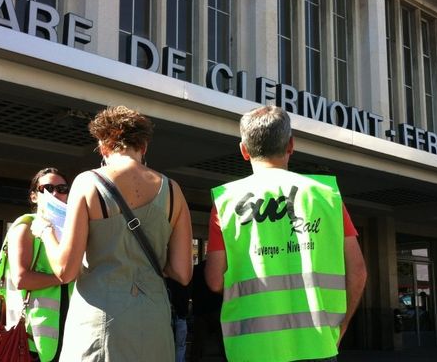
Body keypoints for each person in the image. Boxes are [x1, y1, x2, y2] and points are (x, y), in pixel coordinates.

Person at [205, 105, 367, 362]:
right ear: (291, 145)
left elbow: (215, 280)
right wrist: (342, 325)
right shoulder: (326, 196)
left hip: (252, 349)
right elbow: (358, 272)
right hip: (319, 344)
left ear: (244, 151)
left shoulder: (227, 201)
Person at [32, 105, 193, 361]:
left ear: (103, 146)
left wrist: (46, 231)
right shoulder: (173, 191)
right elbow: (183, 273)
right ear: (144, 146)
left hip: (100, 319)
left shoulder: (88, 182)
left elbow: (65, 270)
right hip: (154, 321)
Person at [0, 167, 71, 362]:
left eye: (62, 188)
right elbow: (21, 279)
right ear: (34, 196)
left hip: (68, 330)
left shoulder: (71, 229)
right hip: (31, 335)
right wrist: (63, 276)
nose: (56, 193)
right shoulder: (26, 226)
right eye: (47, 188)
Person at [166, 277, 191, 362]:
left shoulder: (166, 281)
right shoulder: (184, 281)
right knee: (180, 346)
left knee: (168, 346)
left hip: (169, 317)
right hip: (181, 316)